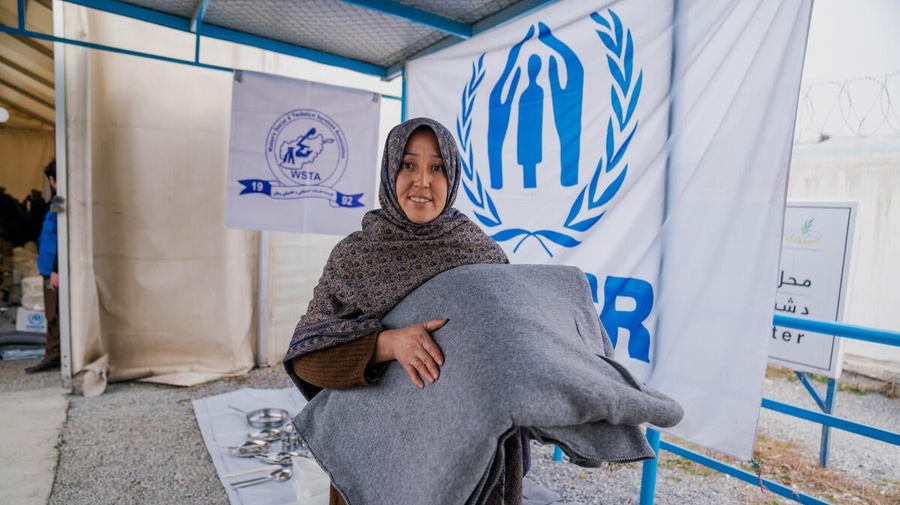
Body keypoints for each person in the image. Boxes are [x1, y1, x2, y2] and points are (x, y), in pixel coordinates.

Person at [283, 117, 529, 505]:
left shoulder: (483, 256)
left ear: (453, 179)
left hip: (464, 466)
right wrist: (385, 344)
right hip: (372, 457)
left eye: (437, 168)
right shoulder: (356, 257)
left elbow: (509, 355)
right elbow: (306, 358)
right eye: (408, 165)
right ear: (389, 170)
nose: (422, 181)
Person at [26, 160, 60, 373]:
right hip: (48, 266)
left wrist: (56, 269)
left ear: (51, 180)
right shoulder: (56, 202)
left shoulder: (61, 202)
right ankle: (54, 354)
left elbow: (61, 237)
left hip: (53, 269)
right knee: (52, 313)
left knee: (54, 313)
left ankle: (54, 355)